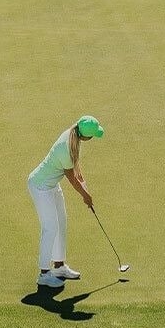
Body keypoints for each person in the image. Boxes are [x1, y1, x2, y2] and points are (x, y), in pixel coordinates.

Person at [27, 115, 104, 288]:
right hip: (40, 186)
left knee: (61, 223)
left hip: (51, 185)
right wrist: (85, 195)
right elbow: (72, 179)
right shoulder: (66, 146)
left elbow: (78, 171)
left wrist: (87, 191)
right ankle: (44, 274)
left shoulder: (74, 136)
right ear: (86, 136)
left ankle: (59, 267)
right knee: (50, 227)